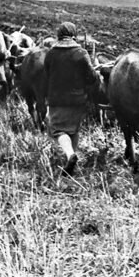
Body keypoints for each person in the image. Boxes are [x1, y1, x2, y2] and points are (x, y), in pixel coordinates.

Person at [43, 21, 99, 176]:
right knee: (73, 130)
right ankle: (73, 162)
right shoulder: (81, 53)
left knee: (57, 130)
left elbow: (47, 75)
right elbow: (91, 78)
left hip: (57, 98)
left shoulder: (51, 54)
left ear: (58, 35)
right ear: (74, 35)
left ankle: (70, 155)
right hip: (78, 100)